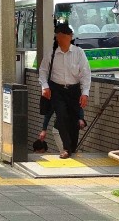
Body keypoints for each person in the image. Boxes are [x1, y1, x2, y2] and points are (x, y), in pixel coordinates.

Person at [39, 23, 91, 159]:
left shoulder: (79, 53)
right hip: (57, 90)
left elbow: (86, 73)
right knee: (61, 117)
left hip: (74, 90)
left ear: (70, 37)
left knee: (74, 120)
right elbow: (43, 71)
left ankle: (72, 147)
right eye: (59, 36)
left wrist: (85, 92)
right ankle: (66, 148)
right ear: (56, 37)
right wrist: (45, 86)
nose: (61, 39)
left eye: (64, 36)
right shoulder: (51, 53)